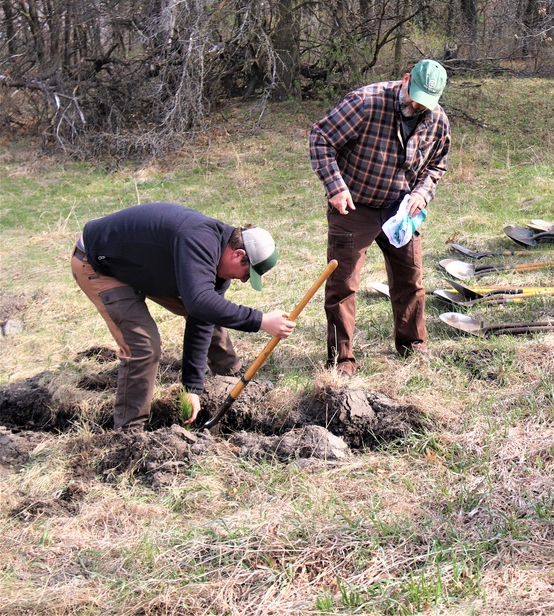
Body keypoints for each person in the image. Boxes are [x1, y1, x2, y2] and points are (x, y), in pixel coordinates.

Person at [70, 203, 295, 430]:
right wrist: (261, 321)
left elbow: (203, 315)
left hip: (142, 266)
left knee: (214, 308)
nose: (244, 281)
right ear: (238, 254)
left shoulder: (218, 260)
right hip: (99, 264)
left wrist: (192, 388)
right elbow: (199, 302)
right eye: (247, 274)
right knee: (143, 346)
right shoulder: (197, 239)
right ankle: (129, 432)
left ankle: (230, 380)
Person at [309, 59, 450, 376]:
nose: (416, 105)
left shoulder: (437, 120)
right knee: (343, 285)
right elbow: (321, 138)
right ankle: (341, 360)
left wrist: (422, 194)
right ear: (405, 80)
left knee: (410, 281)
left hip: (400, 212)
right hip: (354, 207)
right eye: (414, 96)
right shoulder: (365, 102)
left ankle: (413, 349)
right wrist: (335, 186)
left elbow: (437, 164)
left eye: (425, 102)